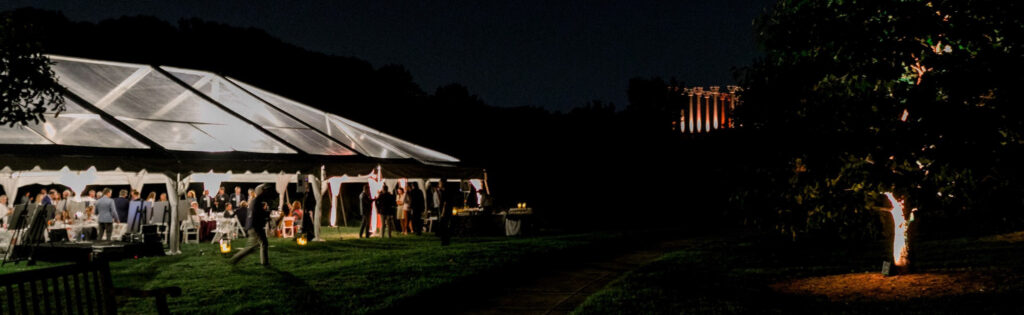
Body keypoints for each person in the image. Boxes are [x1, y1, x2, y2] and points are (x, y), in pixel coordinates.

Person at [230, 184, 273, 266]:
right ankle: (235, 259)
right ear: (260, 191)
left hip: (253, 226)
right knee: (252, 247)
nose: (266, 192)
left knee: (262, 243)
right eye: (264, 190)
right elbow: (258, 214)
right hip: (255, 227)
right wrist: (266, 214)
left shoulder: (255, 200)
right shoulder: (257, 201)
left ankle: (265, 262)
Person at [437, 179, 455, 246]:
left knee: (443, 225)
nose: (439, 185)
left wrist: (442, 213)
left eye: (439, 183)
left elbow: (445, 203)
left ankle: (445, 240)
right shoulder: (445, 191)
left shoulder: (445, 192)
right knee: (445, 225)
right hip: (448, 211)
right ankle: (445, 240)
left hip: (445, 211)